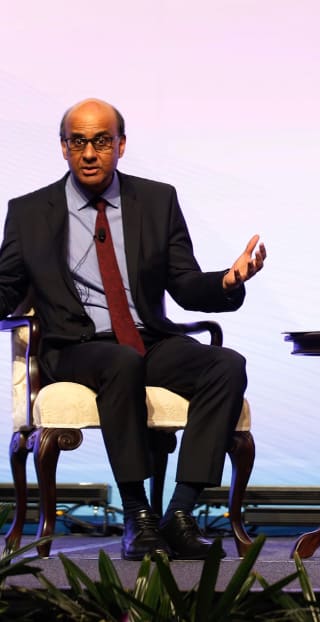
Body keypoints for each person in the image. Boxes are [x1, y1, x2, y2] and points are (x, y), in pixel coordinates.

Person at [0, 98, 266, 561]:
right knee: (121, 361)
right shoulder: (28, 213)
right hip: (75, 348)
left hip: (146, 338)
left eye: (101, 141)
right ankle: (137, 515)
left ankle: (179, 514)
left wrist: (227, 280)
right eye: (78, 142)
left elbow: (184, 283)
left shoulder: (157, 200)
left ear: (120, 145)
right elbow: (6, 291)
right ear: (63, 148)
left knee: (226, 365)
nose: (89, 153)